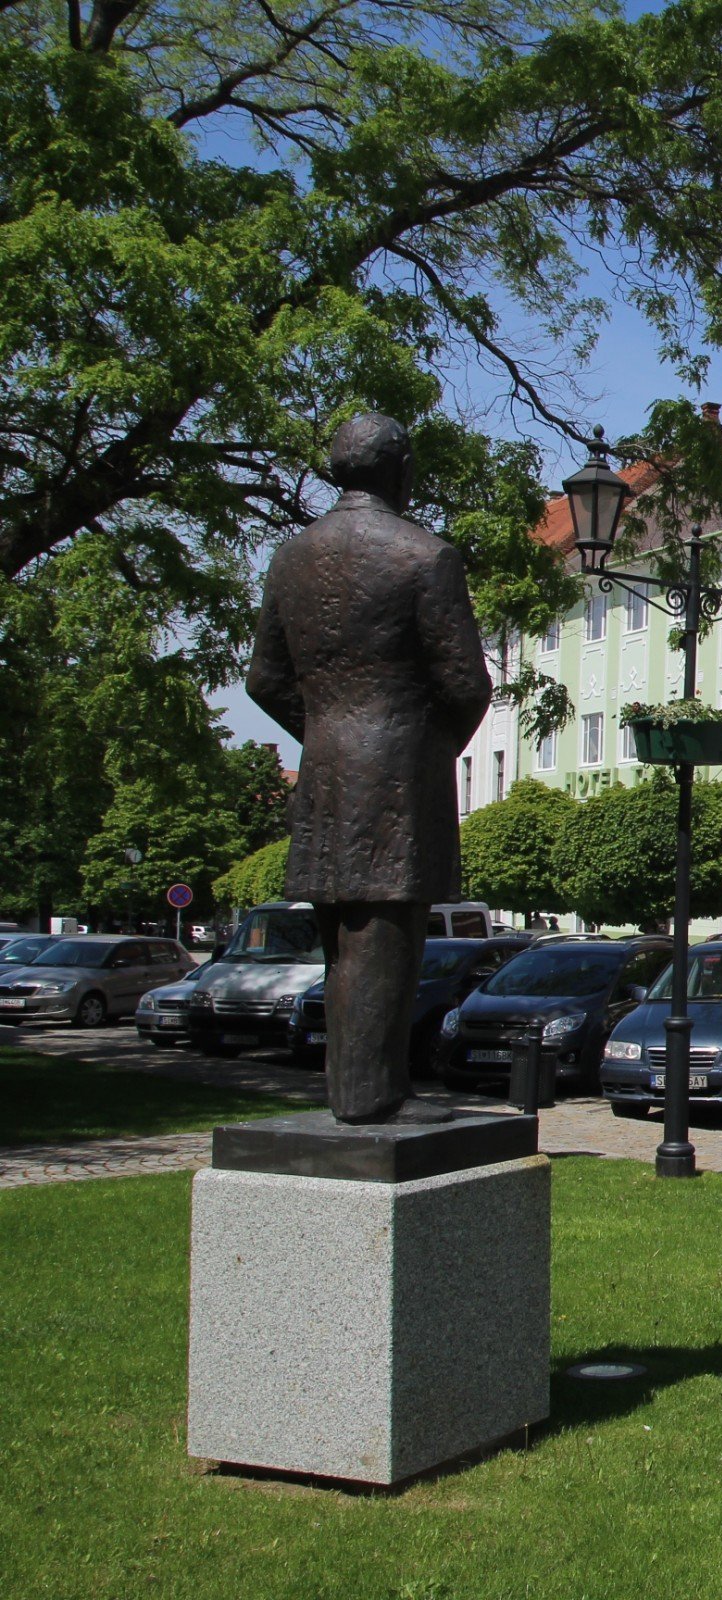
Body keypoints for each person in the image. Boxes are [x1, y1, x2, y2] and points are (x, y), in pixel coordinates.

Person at [246, 413, 492, 1124]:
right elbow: (465, 684)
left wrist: (325, 732)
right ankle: (371, 1095)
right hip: (397, 770)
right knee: (386, 937)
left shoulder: (291, 559)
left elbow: (265, 680)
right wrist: (427, 748)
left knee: (340, 941)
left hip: (325, 770)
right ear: (401, 471)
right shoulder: (425, 556)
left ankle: (349, 1092)